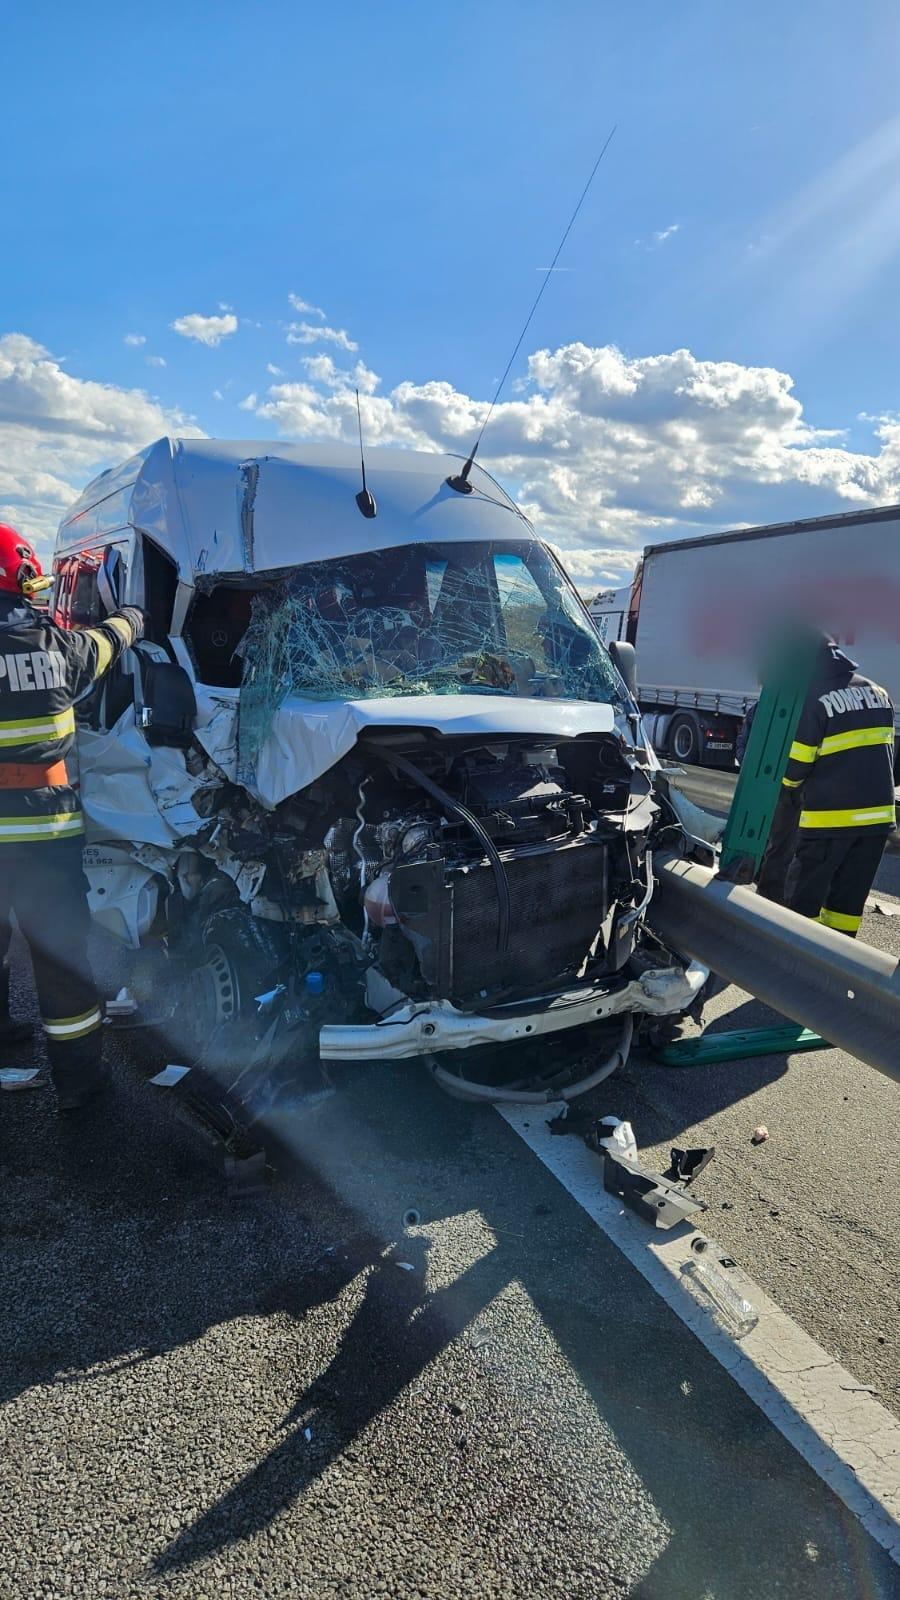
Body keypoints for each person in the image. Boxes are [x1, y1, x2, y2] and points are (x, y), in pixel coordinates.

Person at [0, 522, 145, 1108]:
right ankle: (81, 1084)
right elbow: (106, 643)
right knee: (60, 958)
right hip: (45, 830)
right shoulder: (53, 648)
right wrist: (133, 616)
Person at [779, 637, 896, 935]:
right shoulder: (879, 692)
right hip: (878, 822)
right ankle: (835, 969)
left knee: (801, 906)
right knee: (845, 909)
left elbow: (797, 765)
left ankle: (795, 969)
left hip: (829, 820)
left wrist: (786, 787)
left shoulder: (814, 696)